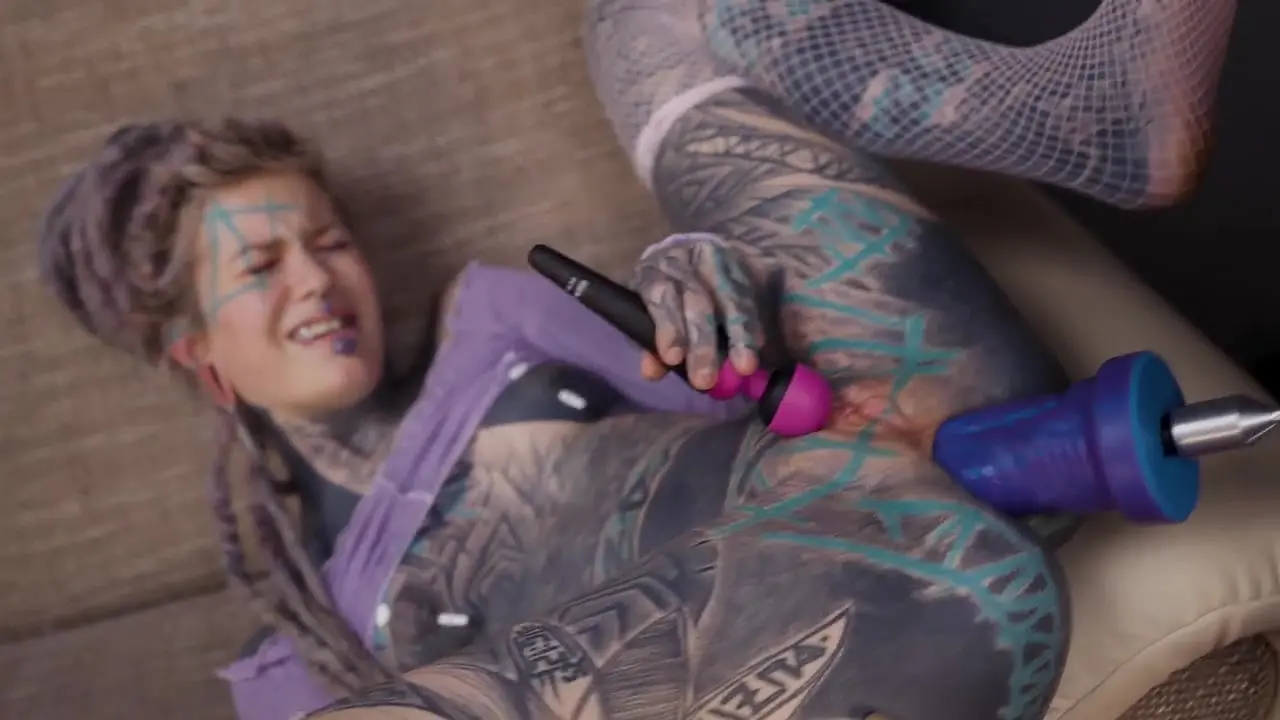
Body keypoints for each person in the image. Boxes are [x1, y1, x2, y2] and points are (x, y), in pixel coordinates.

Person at [39, 103, 1072, 719]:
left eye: (329, 241)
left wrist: (707, 274)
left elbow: (752, 388)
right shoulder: (300, 651)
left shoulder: (493, 318)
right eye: (262, 265)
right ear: (202, 362)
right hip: (797, 650)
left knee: (645, 21)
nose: (315, 279)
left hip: (873, 495)